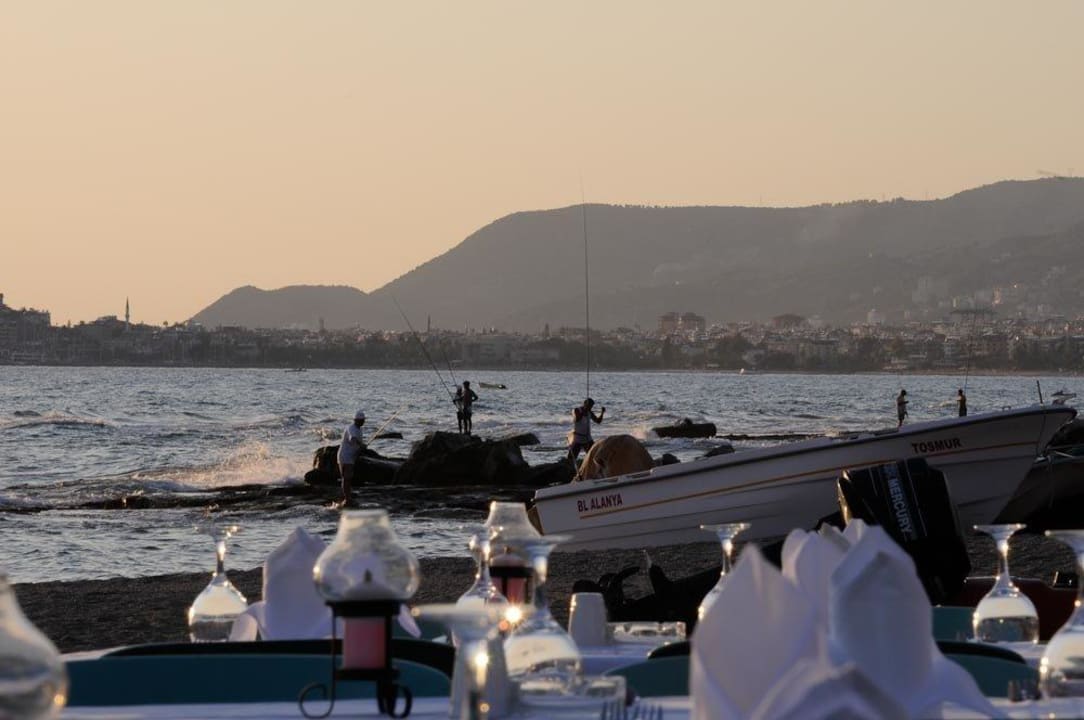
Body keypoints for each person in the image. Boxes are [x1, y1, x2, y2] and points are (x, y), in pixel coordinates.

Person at [336, 409, 366, 506]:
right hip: (345, 457)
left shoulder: (360, 430)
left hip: (351, 458)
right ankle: (347, 499)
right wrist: (360, 445)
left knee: (348, 478)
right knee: (346, 478)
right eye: (361, 420)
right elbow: (353, 438)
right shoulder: (351, 428)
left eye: (363, 420)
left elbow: (357, 444)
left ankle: (347, 498)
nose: (363, 422)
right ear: (356, 420)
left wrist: (361, 448)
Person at [568, 397, 605, 461]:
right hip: (578, 438)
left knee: (594, 454)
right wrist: (584, 411)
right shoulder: (577, 410)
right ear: (584, 404)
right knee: (571, 458)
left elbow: (598, 421)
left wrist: (602, 413)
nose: (590, 408)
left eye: (591, 406)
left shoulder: (589, 412)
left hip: (587, 438)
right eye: (589, 406)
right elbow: (577, 419)